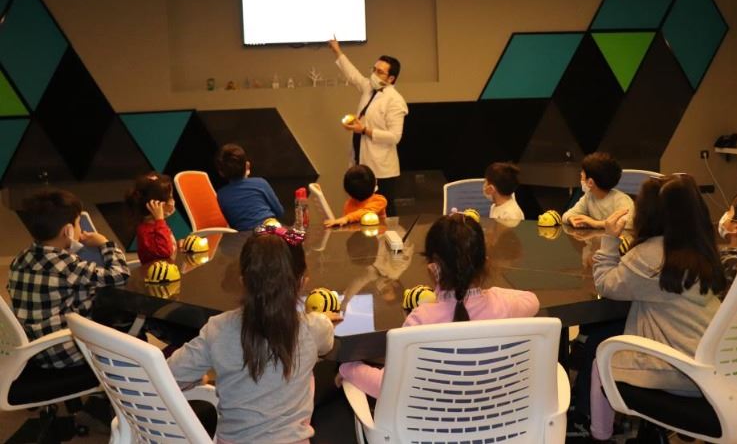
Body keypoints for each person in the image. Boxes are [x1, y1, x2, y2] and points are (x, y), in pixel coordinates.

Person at [337, 213, 540, 398]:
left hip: (430, 425)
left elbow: (388, 387)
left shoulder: (421, 319)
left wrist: (348, 368)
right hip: (498, 418)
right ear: (485, 263)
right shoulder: (504, 305)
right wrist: (490, 292)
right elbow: (532, 300)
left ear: (433, 268)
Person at [588, 174, 725, 440]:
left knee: (600, 361)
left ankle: (599, 436)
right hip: (712, 361)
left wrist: (609, 239)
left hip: (679, 370)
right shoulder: (703, 249)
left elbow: (606, 284)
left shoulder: (649, 255)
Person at [167, 230, 338, 444]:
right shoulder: (314, 328)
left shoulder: (217, 329)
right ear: (302, 282)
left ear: (242, 281)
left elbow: (168, 375)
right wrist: (322, 318)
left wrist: (196, 378)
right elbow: (326, 344)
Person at [8, 189, 129, 368]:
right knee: (129, 336)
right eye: (79, 223)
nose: (81, 229)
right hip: (65, 354)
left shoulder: (21, 258)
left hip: (32, 351)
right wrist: (105, 243)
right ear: (68, 230)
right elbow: (120, 274)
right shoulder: (67, 265)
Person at [328, 38, 409, 217]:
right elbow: (353, 75)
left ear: (391, 78)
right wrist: (337, 51)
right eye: (374, 69)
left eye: (380, 72)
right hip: (362, 162)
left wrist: (365, 130)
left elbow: (395, 136)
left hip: (381, 170)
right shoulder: (369, 88)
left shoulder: (395, 101)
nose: (374, 74)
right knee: (362, 211)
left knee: (383, 212)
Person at [215, 143, 285, 230]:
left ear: (221, 173)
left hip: (244, 235)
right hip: (270, 230)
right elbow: (280, 212)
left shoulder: (221, 195)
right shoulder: (260, 183)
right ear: (247, 165)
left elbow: (231, 223)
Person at [563, 152, 634, 229]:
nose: (581, 179)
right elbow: (566, 215)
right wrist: (570, 219)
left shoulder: (621, 200)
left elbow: (628, 224)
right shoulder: (588, 197)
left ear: (590, 183)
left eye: (582, 176)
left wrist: (595, 223)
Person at [126, 172, 178, 264]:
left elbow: (170, 247)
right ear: (156, 205)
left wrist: (177, 245)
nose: (172, 202)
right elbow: (165, 252)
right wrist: (160, 220)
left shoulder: (157, 225)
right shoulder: (146, 230)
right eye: (170, 197)